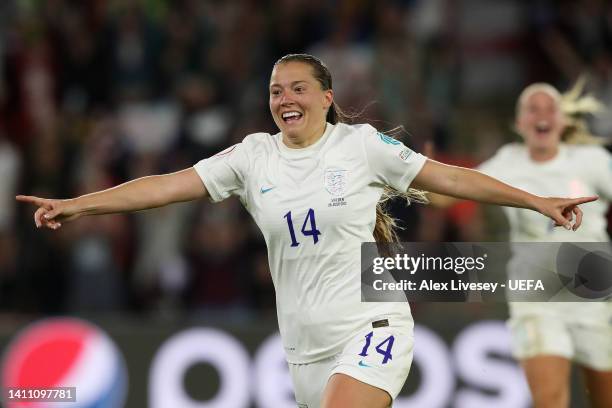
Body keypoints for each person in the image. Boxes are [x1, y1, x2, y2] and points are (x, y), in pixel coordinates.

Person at [17, 54, 597, 408]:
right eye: (275, 90)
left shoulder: (362, 147)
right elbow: (164, 185)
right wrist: (80, 205)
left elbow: (446, 177)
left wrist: (536, 200)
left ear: (326, 98)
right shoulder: (252, 157)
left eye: (297, 88)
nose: (285, 98)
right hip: (303, 348)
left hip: (372, 325)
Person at [430, 80, 612, 408]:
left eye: (549, 108)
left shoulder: (592, 160)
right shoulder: (507, 162)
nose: (541, 115)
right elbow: (450, 194)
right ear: (519, 124)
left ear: (562, 121)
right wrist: (426, 177)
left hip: (593, 294)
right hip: (537, 297)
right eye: (532, 109)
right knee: (550, 399)